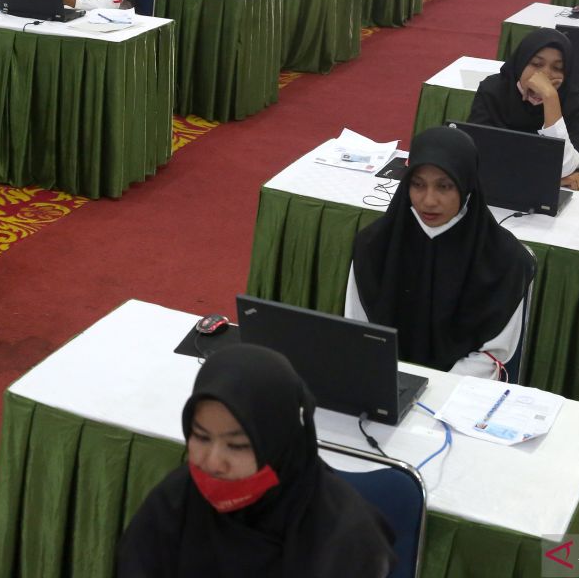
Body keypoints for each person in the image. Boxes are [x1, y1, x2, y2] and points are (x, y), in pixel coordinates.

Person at [117, 345, 398, 576]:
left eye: (237, 446)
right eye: (201, 437)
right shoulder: (175, 501)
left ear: (278, 446)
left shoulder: (346, 537)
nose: (213, 462)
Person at [346, 126, 536, 380]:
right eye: (417, 185)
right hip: (386, 380)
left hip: (460, 393)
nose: (428, 200)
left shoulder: (506, 260)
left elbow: (492, 354)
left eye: (444, 187)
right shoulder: (373, 246)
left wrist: (432, 390)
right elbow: (359, 331)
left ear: (466, 184)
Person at [469, 28, 579, 190]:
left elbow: (563, 167)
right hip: (495, 189)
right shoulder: (493, 92)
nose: (545, 74)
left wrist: (550, 98)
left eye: (557, 68)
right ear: (521, 62)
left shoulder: (577, 107)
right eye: (536, 64)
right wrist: (553, 179)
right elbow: (481, 158)